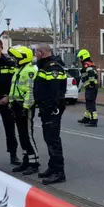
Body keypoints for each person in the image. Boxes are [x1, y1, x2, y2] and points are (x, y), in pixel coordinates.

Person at [3, 45, 40, 176]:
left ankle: (34, 162)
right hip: (17, 106)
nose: (14, 60)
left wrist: (26, 107)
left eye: (16, 57)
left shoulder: (29, 71)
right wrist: (11, 104)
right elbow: (14, 89)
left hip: (25, 107)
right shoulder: (20, 70)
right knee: (22, 135)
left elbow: (31, 91)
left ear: (23, 58)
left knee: (28, 135)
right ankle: (26, 160)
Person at [33, 44, 68, 184]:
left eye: (36, 52)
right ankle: (52, 168)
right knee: (48, 138)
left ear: (41, 52)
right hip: (46, 109)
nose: (35, 54)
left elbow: (55, 92)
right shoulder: (45, 66)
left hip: (52, 110)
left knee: (53, 140)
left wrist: (50, 107)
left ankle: (59, 172)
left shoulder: (53, 67)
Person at [76, 49, 99, 127]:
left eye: (80, 57)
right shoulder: (90, 64)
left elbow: (91, 73)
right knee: (89, 102)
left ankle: (93, 120)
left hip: (91, 87)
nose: (80, 59)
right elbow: (84, 77)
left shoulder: (87, 65)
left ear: (83, 56)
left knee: (90, 103)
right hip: (91, 87)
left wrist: (91, 83)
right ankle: (86, 118)